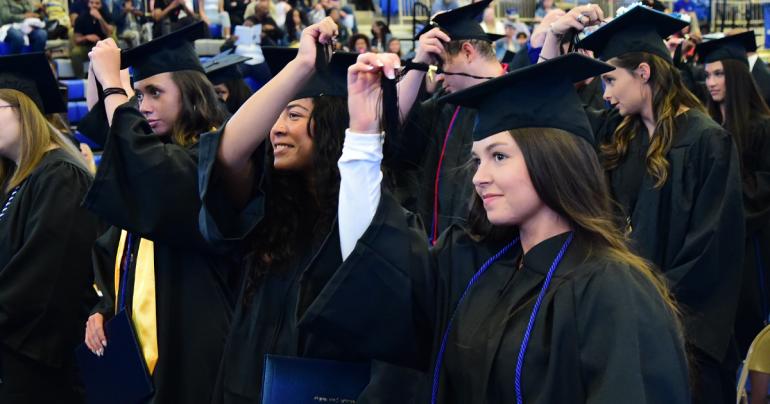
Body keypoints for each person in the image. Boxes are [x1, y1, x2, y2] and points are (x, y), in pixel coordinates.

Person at [336, 51, 691, 403]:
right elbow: (374, 268)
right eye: (478, 160)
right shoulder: (475, 263)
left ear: (553, 158)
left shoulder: (613, 288)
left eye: (499, 156)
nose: (478, 177)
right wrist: (363, 137)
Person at [543, 5, 745, 403]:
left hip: (680, 334)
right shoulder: (619, 135)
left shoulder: (707, 142)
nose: (606, 93)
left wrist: (644, 306)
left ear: (644, 72)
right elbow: (552, 111)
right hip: (620, 319)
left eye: (611, 80)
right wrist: (554, 40)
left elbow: (710, 253)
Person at [83, 22, 237, 404]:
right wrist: (105, 307)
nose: (144, 106)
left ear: (190, 92)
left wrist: (114, 88)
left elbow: (154, 179)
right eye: (138, 95)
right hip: (139, 345)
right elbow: (118, 250)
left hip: (192, 340)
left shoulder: (212, 157)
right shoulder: (156, 154)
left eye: (155, 92)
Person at [0, 52, 99, 403]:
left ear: (24, 109)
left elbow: (41, 277)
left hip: (39, 364)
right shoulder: (16, 178)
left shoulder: (60, 176)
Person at [392, 0, 505, 243]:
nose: (440, 76)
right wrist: (419, 63)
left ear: (467, 51)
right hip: (437, 247)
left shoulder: (516, 96)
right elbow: (394, 126)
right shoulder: (447, 103)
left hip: (488, 254)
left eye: (441, 63)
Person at [696, 32, 770, 358]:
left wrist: (722, 198)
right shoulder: (706, 125)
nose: (710, 82)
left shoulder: (762, 126)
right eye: (708, 74)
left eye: (719, 73)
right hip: (713, 243)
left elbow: (764, 186)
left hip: (750, 244)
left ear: (737, 75)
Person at [71, 0, 114, 78]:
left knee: (114, 45)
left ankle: (111, 77)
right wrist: (87, 37)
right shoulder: (81, 18)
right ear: (88, 4)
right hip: (86, 46)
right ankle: (80, 78)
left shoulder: (106, 15)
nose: (94, 5)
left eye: (97, 3)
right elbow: (76, 39)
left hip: (102, 46)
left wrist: (100, 18)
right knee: (75, 53)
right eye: (92, 3)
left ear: (101, 5)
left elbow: (109, 32)